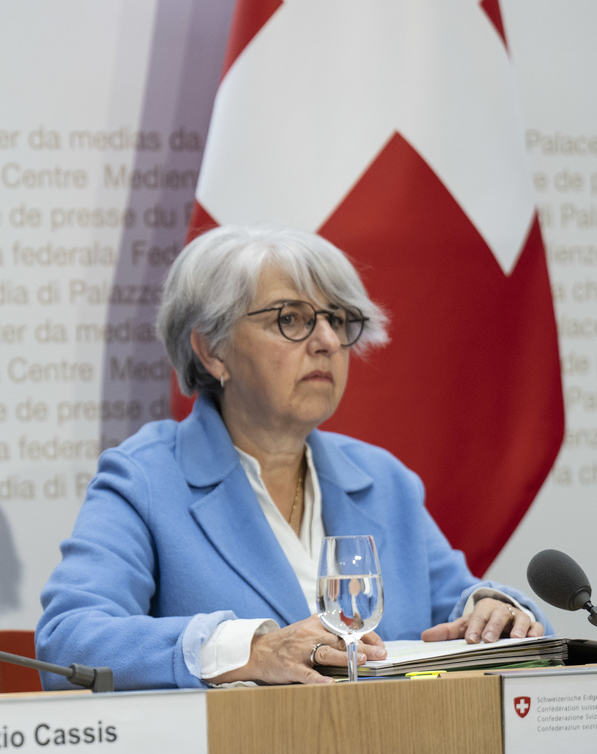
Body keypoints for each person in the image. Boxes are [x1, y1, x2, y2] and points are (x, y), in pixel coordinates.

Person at [36, 226, 549, 690]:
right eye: (291, 319)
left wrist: (494, 612)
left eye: (338, 320)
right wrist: (252, 651)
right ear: (211, 351)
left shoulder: (382, 481)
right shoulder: (145, 480)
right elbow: (69, 640)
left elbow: (461, 607)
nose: (327, 342)